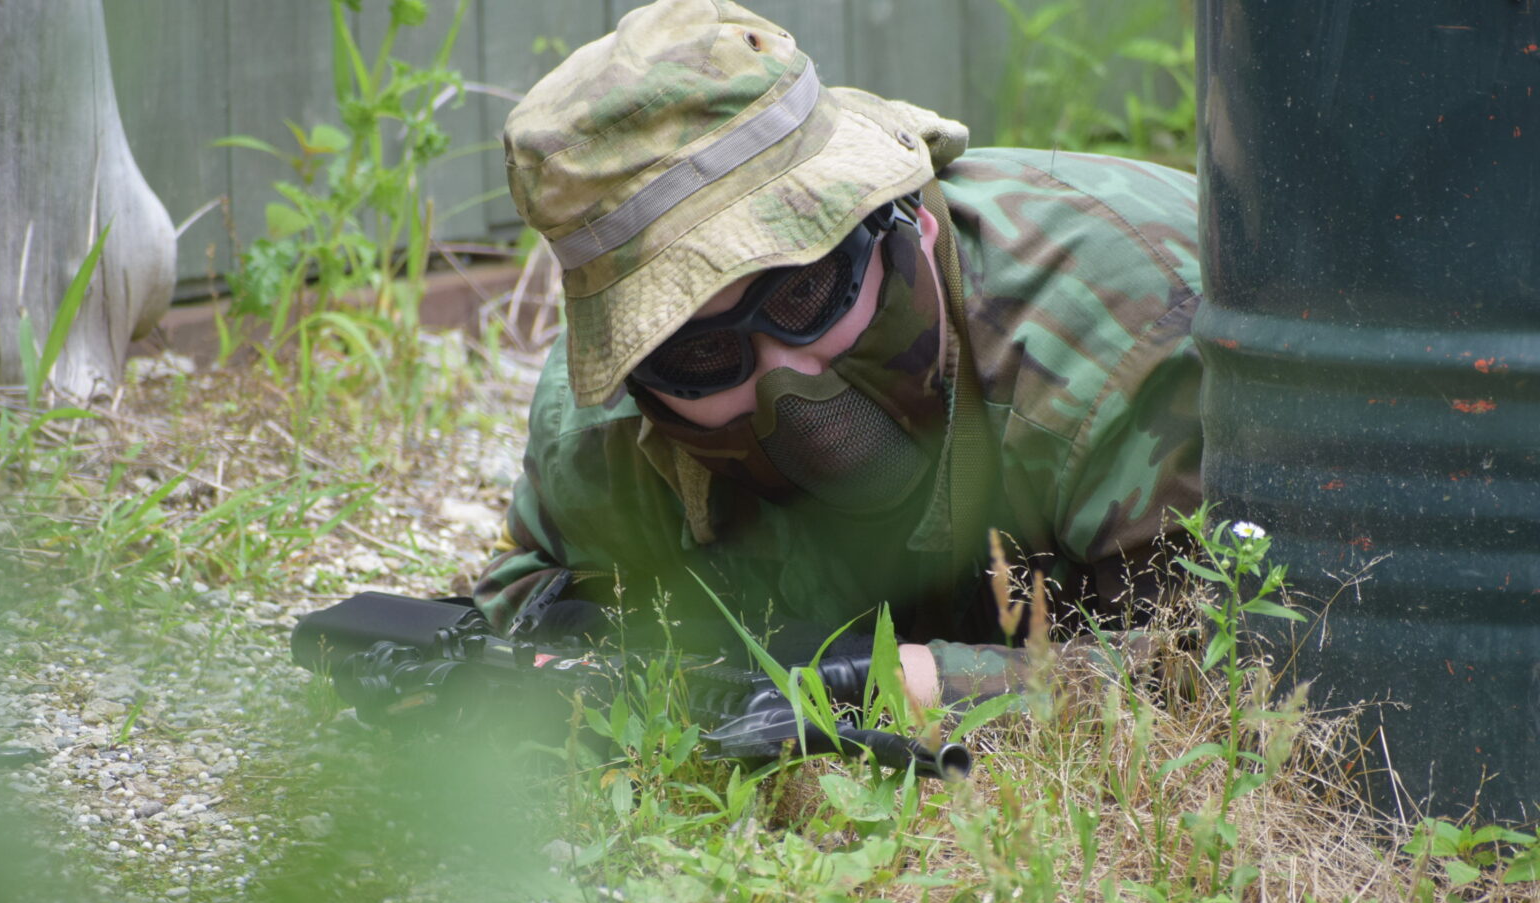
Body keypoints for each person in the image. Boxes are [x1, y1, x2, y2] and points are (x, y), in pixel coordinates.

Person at [472, 0, 1203, 708]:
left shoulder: (1127, 347)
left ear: (908, 225)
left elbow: (1228, 665)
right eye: (700, 356)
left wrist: (908, 686)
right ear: (641, 379)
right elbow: (528, 596)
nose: (785, 380)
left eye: (803, 296)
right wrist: (690, 668)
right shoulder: (605, 430)